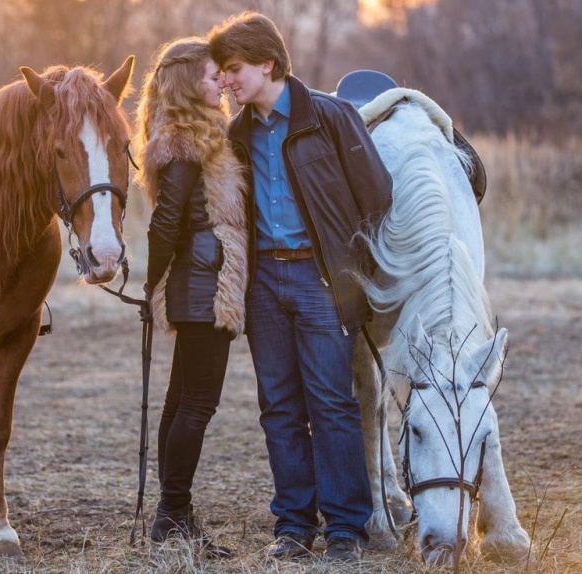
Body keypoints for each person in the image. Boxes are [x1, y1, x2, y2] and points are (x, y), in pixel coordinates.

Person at [207, 12, 393, 563]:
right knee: (280, 406)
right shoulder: (236, 135)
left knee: (332, 402)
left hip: (320, 277)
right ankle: (292, 527)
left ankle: (346, 531)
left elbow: (377, 194)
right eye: (221, 72)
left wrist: (347, 266)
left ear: (268, 63)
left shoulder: (330, 118)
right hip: (263, 282)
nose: (225, 81)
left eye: (233, 69)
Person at [134, 36, 249, 558]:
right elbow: (166, 222)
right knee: (196, 404)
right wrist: (148, 283)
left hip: (198, 280)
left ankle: (171, 514)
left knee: (180, 402)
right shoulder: (184, 140)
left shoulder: (194, 134)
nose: (220, 83)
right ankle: (174, 515)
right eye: (210, 76)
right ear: (186, 83)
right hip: (209, 285)